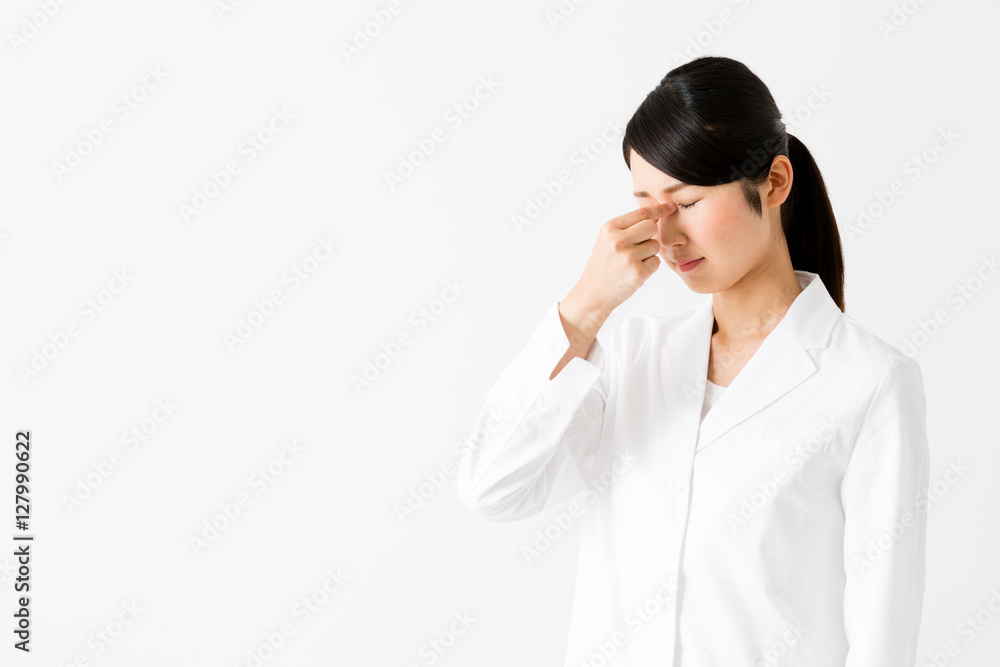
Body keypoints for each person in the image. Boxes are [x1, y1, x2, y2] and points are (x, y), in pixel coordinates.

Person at [456, 55, 930, 667]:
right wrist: (586, 303)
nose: (666, 235)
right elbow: (493, 487)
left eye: (686, 201)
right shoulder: (631, 358)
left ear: (775, 182)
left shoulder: (869, 382)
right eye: (647, 205)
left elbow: (882, 634)